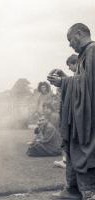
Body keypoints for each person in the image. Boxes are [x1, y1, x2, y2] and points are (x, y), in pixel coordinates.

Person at [47, 23, 95, 200]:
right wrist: (66, 79)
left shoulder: (92, 51)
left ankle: (88, 193)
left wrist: (64, 83)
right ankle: (76, 191)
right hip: (85, 118)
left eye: (70, 39)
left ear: (79, 33)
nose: (69, 45)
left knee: (83, 152)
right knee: (74, 150)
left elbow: (90, 86)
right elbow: (84, 82)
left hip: (90, 120)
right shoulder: (85, 54)